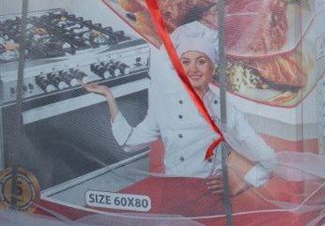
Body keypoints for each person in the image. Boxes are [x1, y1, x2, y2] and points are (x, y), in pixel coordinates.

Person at [82, 21, 276, 195]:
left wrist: (241, 183)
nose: (193, 69)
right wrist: (109, 96)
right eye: (185, 62)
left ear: (213, 66)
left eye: (201, 61)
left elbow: (268, 158)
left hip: (209, 197)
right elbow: (129, 142)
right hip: (172, 193)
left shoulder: (227, 110)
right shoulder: (165, 105)